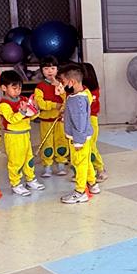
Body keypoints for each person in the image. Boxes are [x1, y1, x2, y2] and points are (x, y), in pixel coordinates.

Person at [0, 70, 45, 196]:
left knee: (29, 158)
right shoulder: (3, 104)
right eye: (14, 88)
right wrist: (22, 112)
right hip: (13, 136)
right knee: (16, 161)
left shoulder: (23, 99)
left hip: (25, 134)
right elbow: (11, 119)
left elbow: (31, 116)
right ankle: (16, 184)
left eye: (19, 88)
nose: (17, 91)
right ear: (4, 88)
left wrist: (36, 109)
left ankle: (30, 179)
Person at [58, 64, 99, 204]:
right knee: (85, 161)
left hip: (79, 139)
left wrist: (78, 141)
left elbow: (80, 122)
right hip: (83, 137)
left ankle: (80, 191)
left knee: (79, 163)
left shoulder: (77, 100)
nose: (62, 85)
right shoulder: (82, 94)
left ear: (71, 82)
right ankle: (93, 184)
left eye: (63, 82)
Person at [33, 56, 69, 177]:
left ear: (57, 70)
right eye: (46, 68)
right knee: (47, 143)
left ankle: (61, 164)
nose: (50, 71)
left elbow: (66, 100)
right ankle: (47, 166)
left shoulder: (62, 84)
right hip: (46, 121)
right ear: (42, 70)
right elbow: (40, 103)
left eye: (53, 68)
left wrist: (59, 87)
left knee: (61, 141)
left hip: (59, 120)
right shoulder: (39, 87)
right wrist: (54, 105)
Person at [81, 62, 107, 182]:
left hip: (91, 119)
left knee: (91, 146)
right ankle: (85, 170)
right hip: (81, 121)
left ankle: (100, 169)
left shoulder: (92, 91)